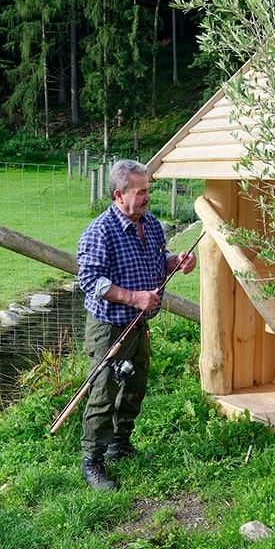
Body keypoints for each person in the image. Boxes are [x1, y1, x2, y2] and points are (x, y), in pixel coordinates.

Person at [76, 159, 197, 491]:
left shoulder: (152, 223)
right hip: (109, 326)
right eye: (141, 192)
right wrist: (135, 298)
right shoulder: (100, 231)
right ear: (119, 194)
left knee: (135, 385)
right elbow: (90, 281)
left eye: (149, 190)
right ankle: (93, 461)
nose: (148, 197)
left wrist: (177, 260)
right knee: (104, 392)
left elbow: (160, 258)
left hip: (139, 325)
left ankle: (119, 444)